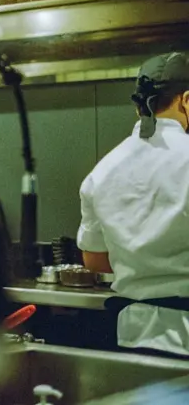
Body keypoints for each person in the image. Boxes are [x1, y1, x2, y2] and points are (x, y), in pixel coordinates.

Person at [78, 52, 189, 357]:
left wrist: (143, 261)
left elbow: (95, 260)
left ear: (137, 105)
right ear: (186, 101)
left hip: (131, 335)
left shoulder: (103, 170)